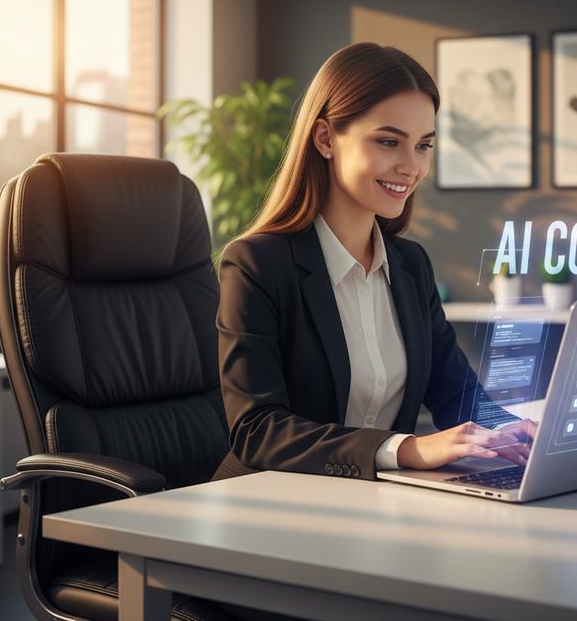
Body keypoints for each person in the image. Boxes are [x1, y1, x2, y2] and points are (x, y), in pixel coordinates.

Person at [211, 42, 536, 484]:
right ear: (326, 139)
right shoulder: (256, 265)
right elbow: (257, 429)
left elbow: (455, 392)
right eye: (388, 142)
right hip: (267, 499)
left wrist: (518, 432)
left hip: (374, 500)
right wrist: (405, 448)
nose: (411, 167)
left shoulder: (410, 265)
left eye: (423, 145)